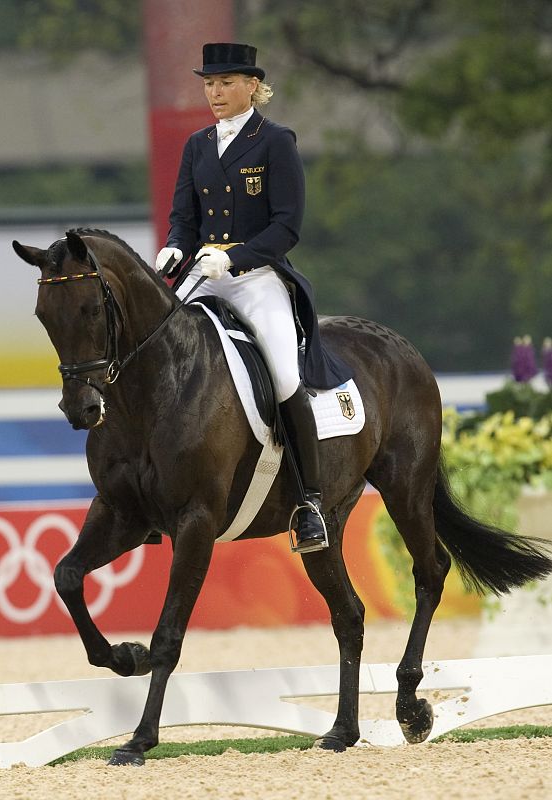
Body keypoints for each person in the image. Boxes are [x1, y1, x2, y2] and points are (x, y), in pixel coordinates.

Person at [154, 42, 353, 552]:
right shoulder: (197, 145)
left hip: (258, 277)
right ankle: (154, 492)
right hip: (205, 274)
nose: (215, 93)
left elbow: (287, 226)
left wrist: (235, 257)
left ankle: (309, 502)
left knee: (285, 375)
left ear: (251, 86)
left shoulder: (275, 141)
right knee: (159, 355)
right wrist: (175, 250)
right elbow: (184, 218)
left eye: (225, 84)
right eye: (208, 84)